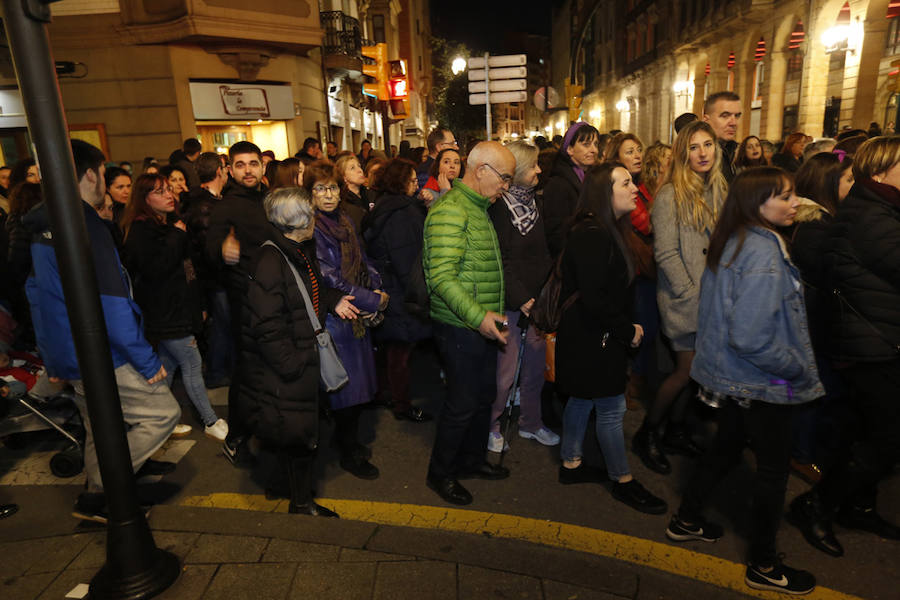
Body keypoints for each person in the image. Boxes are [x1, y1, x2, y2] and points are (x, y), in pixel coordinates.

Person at [666, 167, 821, 596]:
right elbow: (751, 335)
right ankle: (764, 564)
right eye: (786, 196)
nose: (795, 204)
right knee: (772, 472)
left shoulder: (734, 237)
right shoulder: (762, 251)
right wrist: (795, 367)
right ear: (757, 203)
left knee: (727, 447)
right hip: (762, 381)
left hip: (736, 378)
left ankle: (688, 519)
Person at [25, 140, 180, 523]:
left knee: (99, 426)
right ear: (92, 174)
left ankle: (96, 496)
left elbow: (37, 296)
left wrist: (52, 357)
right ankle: (111, 487)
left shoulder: (43, 223)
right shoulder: (83, 224)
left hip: (68, 351)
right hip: (99, 352)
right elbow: (111, 302)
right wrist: (145, 361)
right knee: (162, 412)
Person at [787, 136, 900, 559]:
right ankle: (814, 504)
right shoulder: (871, 216)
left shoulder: (881, 208)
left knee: (864, 430)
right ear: (881, 172)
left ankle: (857, 505)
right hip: (869, 342)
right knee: (886, 437)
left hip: (880, 338)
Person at [240, 187, 359, 516]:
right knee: (299, 435)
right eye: (311, 213)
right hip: (290, 365)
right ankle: (301, 503)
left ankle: (282, 487)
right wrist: (294, 365)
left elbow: (311, 288)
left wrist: (333, 300)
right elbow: (267, 324)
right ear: (299, 222)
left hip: (298, 358)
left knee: (293, 433)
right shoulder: (271, 260)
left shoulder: (292, 248)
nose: (316, 217)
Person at [556, 162, 666, 514]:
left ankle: (571, 463)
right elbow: (595, 296)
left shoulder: (603, 229)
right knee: (610, 407)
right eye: (626, 182)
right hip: (594, 336)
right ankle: (623, 480)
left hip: (590, 333)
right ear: (606, 191)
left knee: (582, 400)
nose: (635, 188)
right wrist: (626, 330)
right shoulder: (592, 233)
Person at [634, 120, 727, 474]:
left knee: (694, 371)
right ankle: (648, 434)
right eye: (694, 146)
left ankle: (674, 431)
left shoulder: (718, 189)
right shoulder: (671, 194)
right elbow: (666, 254)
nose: (702, 152)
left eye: (708, 145)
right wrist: (690, 293)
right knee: (685, 371)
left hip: (713, 298)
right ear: (682, 153)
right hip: (684, 300)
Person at [423, 141, 513, 505]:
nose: (506, 185)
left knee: (482, 397)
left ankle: (473, 460)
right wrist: (479, 317)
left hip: (480, 325)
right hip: (460, 326)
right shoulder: (451, 211)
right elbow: (441, 278)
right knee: (461, 403)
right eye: (504, 177)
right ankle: (440, 474)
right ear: (481, 171)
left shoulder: (477, 207)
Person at [120, 174, 228, 441]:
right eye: (160, 192)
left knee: (167, 365)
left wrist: (199, 305)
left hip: (179, 308)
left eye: (169, 189)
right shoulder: (142, 230)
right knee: (192, 364)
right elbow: (156, 269)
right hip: (164, 311)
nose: (169, 195)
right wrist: (177, 235)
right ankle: (210, 420)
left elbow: (188, 271)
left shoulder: (169, 224)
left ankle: (162, 418)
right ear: (144, 199)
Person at [305, 160, 385, 479]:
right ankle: (348, 452)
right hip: (337, 317)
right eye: (320, 188)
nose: (328, 194)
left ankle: (347, 443)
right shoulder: (312, 227)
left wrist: (377, 287)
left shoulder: (344, 219)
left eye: (333, 187)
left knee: (357, 386)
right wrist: (372, 299)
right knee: (344, 390)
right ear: (309, 194)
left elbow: (363, 259)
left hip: (355, 315)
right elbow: (329, 278)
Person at [486, 141, 556, 452]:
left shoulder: (534, 203)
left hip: (535, 304)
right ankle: (492, 425)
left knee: (533, 370)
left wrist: (542, 295)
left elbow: (541, 255)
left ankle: (531, 423)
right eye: (534, 166)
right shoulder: (499, 208)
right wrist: (522, 298)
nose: (539, 171)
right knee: (504, 374)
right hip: (508, 304)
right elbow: (501, 259)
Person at [206, 141, 270, 465]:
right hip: (245, 301)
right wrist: (222, 248)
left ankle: (264, 430)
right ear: (230, 170)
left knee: (267, 369)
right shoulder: (225, 206)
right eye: (241, 164)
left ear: (263, 166)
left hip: (273, 298)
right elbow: (208, 249)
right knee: (247, 372)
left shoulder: (268, 199)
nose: (248, 170)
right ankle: (236, 438)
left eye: (253, 164)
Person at [362, 159, 433, 423]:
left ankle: (382, 392)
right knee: (400, 352)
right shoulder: (403, 213)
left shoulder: (384, 206)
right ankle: (402, 405)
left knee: (389, 349)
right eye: (413, 180)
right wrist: (419, 293)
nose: (417, 185)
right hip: (402, 291)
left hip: (388, 287)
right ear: (400, 183)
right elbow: (407, 257)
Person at [181, 152, 232, 389]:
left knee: (222, 326)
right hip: (216, 279)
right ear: (220, 170)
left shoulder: (210, 201)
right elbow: (209, 248)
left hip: (214, 278)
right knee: (222, 327)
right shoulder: (204, 206)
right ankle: (215, 374)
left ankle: (219, 371)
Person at [542, 122, 601, 258]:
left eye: (596, 144)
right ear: (569, 149)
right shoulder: (558, 183)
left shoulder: (593, 177)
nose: (594, 150)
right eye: (586, 144)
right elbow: (555, 233)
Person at [702, 91, 742, 183]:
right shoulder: (700, 156)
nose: (733, 123)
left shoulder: (729, 150)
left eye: (737, 116)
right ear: (706, 120)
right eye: (725, 116)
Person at [334, 155, 368, 231]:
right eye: (352, 168)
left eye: (359, 166)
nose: (359, 170)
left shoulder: (369, 194)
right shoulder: (343, 202)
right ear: (343, 177)